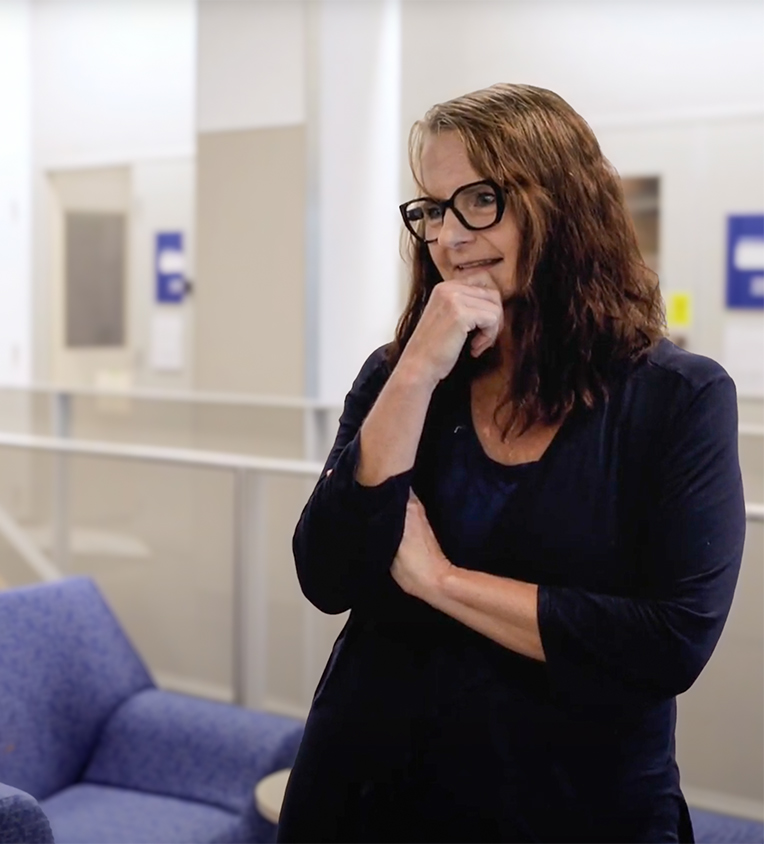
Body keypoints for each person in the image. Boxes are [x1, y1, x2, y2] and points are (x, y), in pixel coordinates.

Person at [278, 84, 745, 842]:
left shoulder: (678, 398)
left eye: (482, 199)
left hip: (575, 807)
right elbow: (327, 575)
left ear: (565, 204)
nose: (450, 236)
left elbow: (668, 643)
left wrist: (441, 581)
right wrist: (417, 371)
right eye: (432, 209)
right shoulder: (398, 377)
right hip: (368, 795)